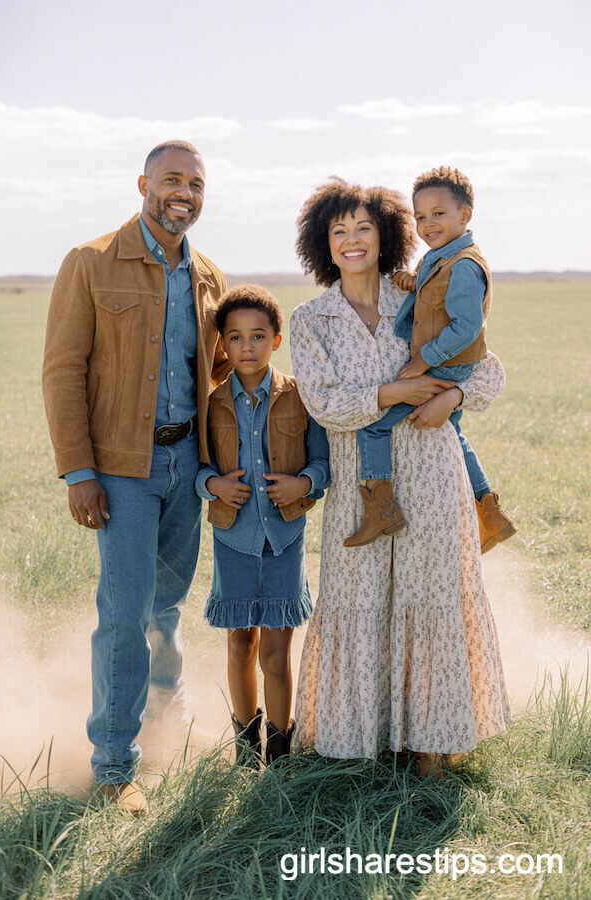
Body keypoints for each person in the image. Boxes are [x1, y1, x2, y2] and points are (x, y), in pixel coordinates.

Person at [290, 178, 511, 776]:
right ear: (323, 243)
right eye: (339, 230)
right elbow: (324, 404)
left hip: (434, 476)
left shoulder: (419, 295)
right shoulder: (312, 320)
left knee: (430, 598)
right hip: (361, 486)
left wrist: (452, 396)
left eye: (364, 227)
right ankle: (358, 742)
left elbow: (488, 371)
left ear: (386, 234)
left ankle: (432, 744)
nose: (352, 239)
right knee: (358, 600)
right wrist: (395, 392)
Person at [42, 140, 231, 815]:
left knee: (167, 607)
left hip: (187, 466)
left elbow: (219, 373)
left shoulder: (208, 277)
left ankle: (166, 725)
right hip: (121, 469)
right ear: (143, 184)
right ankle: (114, 765)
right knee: (125, 613)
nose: (185, 192)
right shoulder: (90, 262)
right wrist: (79, 471)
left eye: (196, 183)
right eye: (172, 179)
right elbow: (62, 370)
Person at [345, 166, 517, 551]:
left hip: (444, 366)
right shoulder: (439, 257)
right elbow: (434, 292)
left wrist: (423, 361)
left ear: (465, 214)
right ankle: (489, 511)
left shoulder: (465, 265)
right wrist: (412, 280)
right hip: (446, 365)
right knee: (454, 435)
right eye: (420, 217)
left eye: (438, 213)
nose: (428, 224)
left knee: (373, 426)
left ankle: (380, 509)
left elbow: (465, 327)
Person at [195, 285, 330, 767]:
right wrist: (213, 485)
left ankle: (280, 752)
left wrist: (303, 484)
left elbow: (324, 463)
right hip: (233, 539)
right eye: (234, 337)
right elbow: (197, 468)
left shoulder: (299, 397)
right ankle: (246, 749)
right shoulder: (211, 404)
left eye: (257, 336)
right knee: (240, 645)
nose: (246, 346)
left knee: (275, 654)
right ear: (222, 344)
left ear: (276, 340)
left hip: (284, 540)